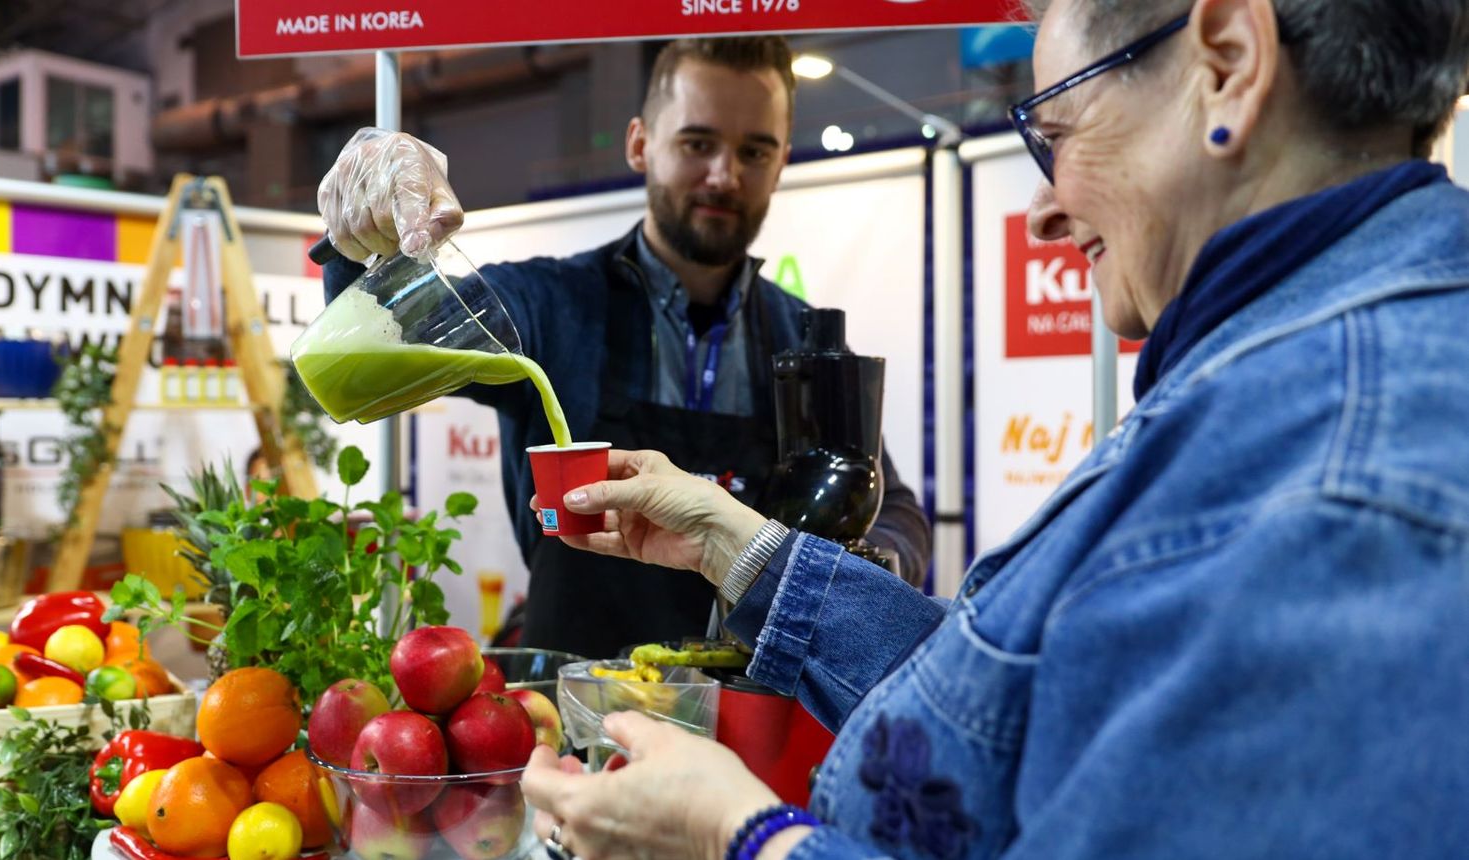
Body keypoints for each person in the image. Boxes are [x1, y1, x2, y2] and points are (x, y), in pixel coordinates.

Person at [517, 0, 1469, 857]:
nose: (1044, 211)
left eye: (1057, 131)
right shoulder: (1278, 387)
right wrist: (739, 548)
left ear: (1228, 60)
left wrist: (742, 834)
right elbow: (1013, 703)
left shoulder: (1351, 493)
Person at [316, 37, 931, 660]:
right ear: (640, 144)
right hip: (571, 714)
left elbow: (893, 506)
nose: (725, 174)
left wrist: (866, 570)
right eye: (698, 143)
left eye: (754, 150)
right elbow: (393, 329)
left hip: (741, 717)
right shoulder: (550, 303)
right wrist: (361, 230)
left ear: (780, 163)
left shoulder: (801, 341)